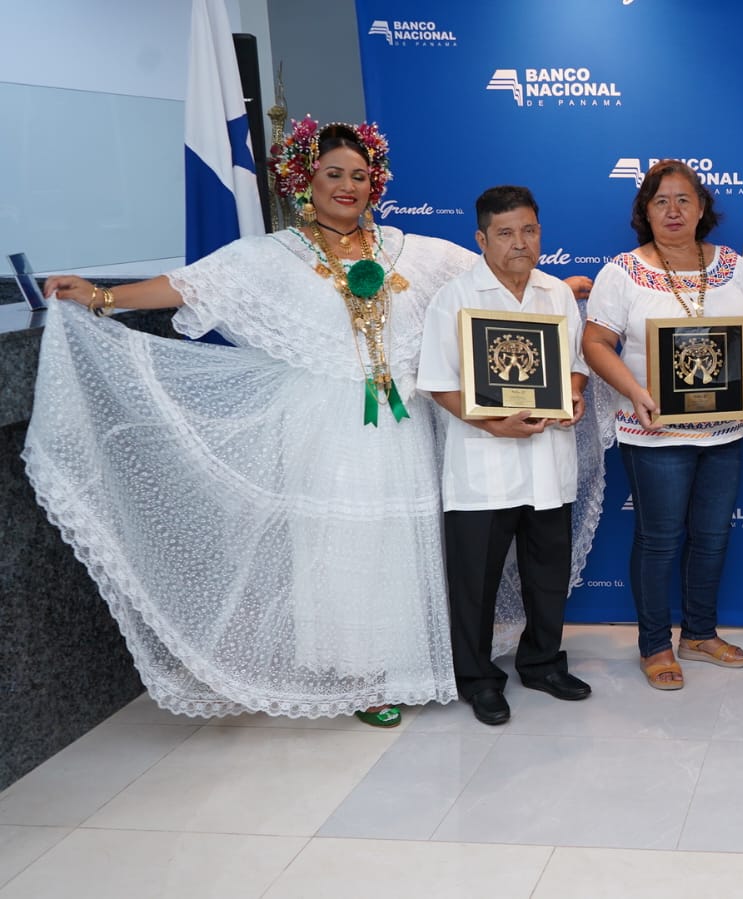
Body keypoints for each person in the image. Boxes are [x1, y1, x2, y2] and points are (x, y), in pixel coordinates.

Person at [28, 120, 477, 725]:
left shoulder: (410, 251)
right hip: (323, 428)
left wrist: (554, 289)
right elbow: (191, 285)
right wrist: (103, 298)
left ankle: (397, 666)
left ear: (376, 184)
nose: (348, 186)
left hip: (400, 428)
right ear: (304, 180)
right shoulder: (274, 256)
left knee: (396, 541)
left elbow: (485, 279)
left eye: (360, 176)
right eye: (333, 174)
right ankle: (352, 671)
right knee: (336, 539)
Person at [418, 185, 604, 726]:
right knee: (474, 581)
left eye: (529, 230)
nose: (519, 243)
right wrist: (492, 423)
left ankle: (543, 662)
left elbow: (574, 364)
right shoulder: (455, 297)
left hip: (548, 459)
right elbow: (437, 382)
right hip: (482, 464)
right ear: (481, 238)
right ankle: (478, 679)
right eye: (505, 233)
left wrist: (573, 392)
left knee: (547, 574)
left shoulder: (557, 294)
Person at [582, 160, 743, 690]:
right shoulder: (623, 271)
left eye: (684, 199)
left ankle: (700, 634)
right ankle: (655, 645)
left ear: (703, 207)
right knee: (660, 539)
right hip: (655, 431)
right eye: (660, 201)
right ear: (644, 210)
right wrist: (635, 392)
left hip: (725, 431)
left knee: (711, 537)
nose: (673, 210)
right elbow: (595, 343)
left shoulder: (733, 265)